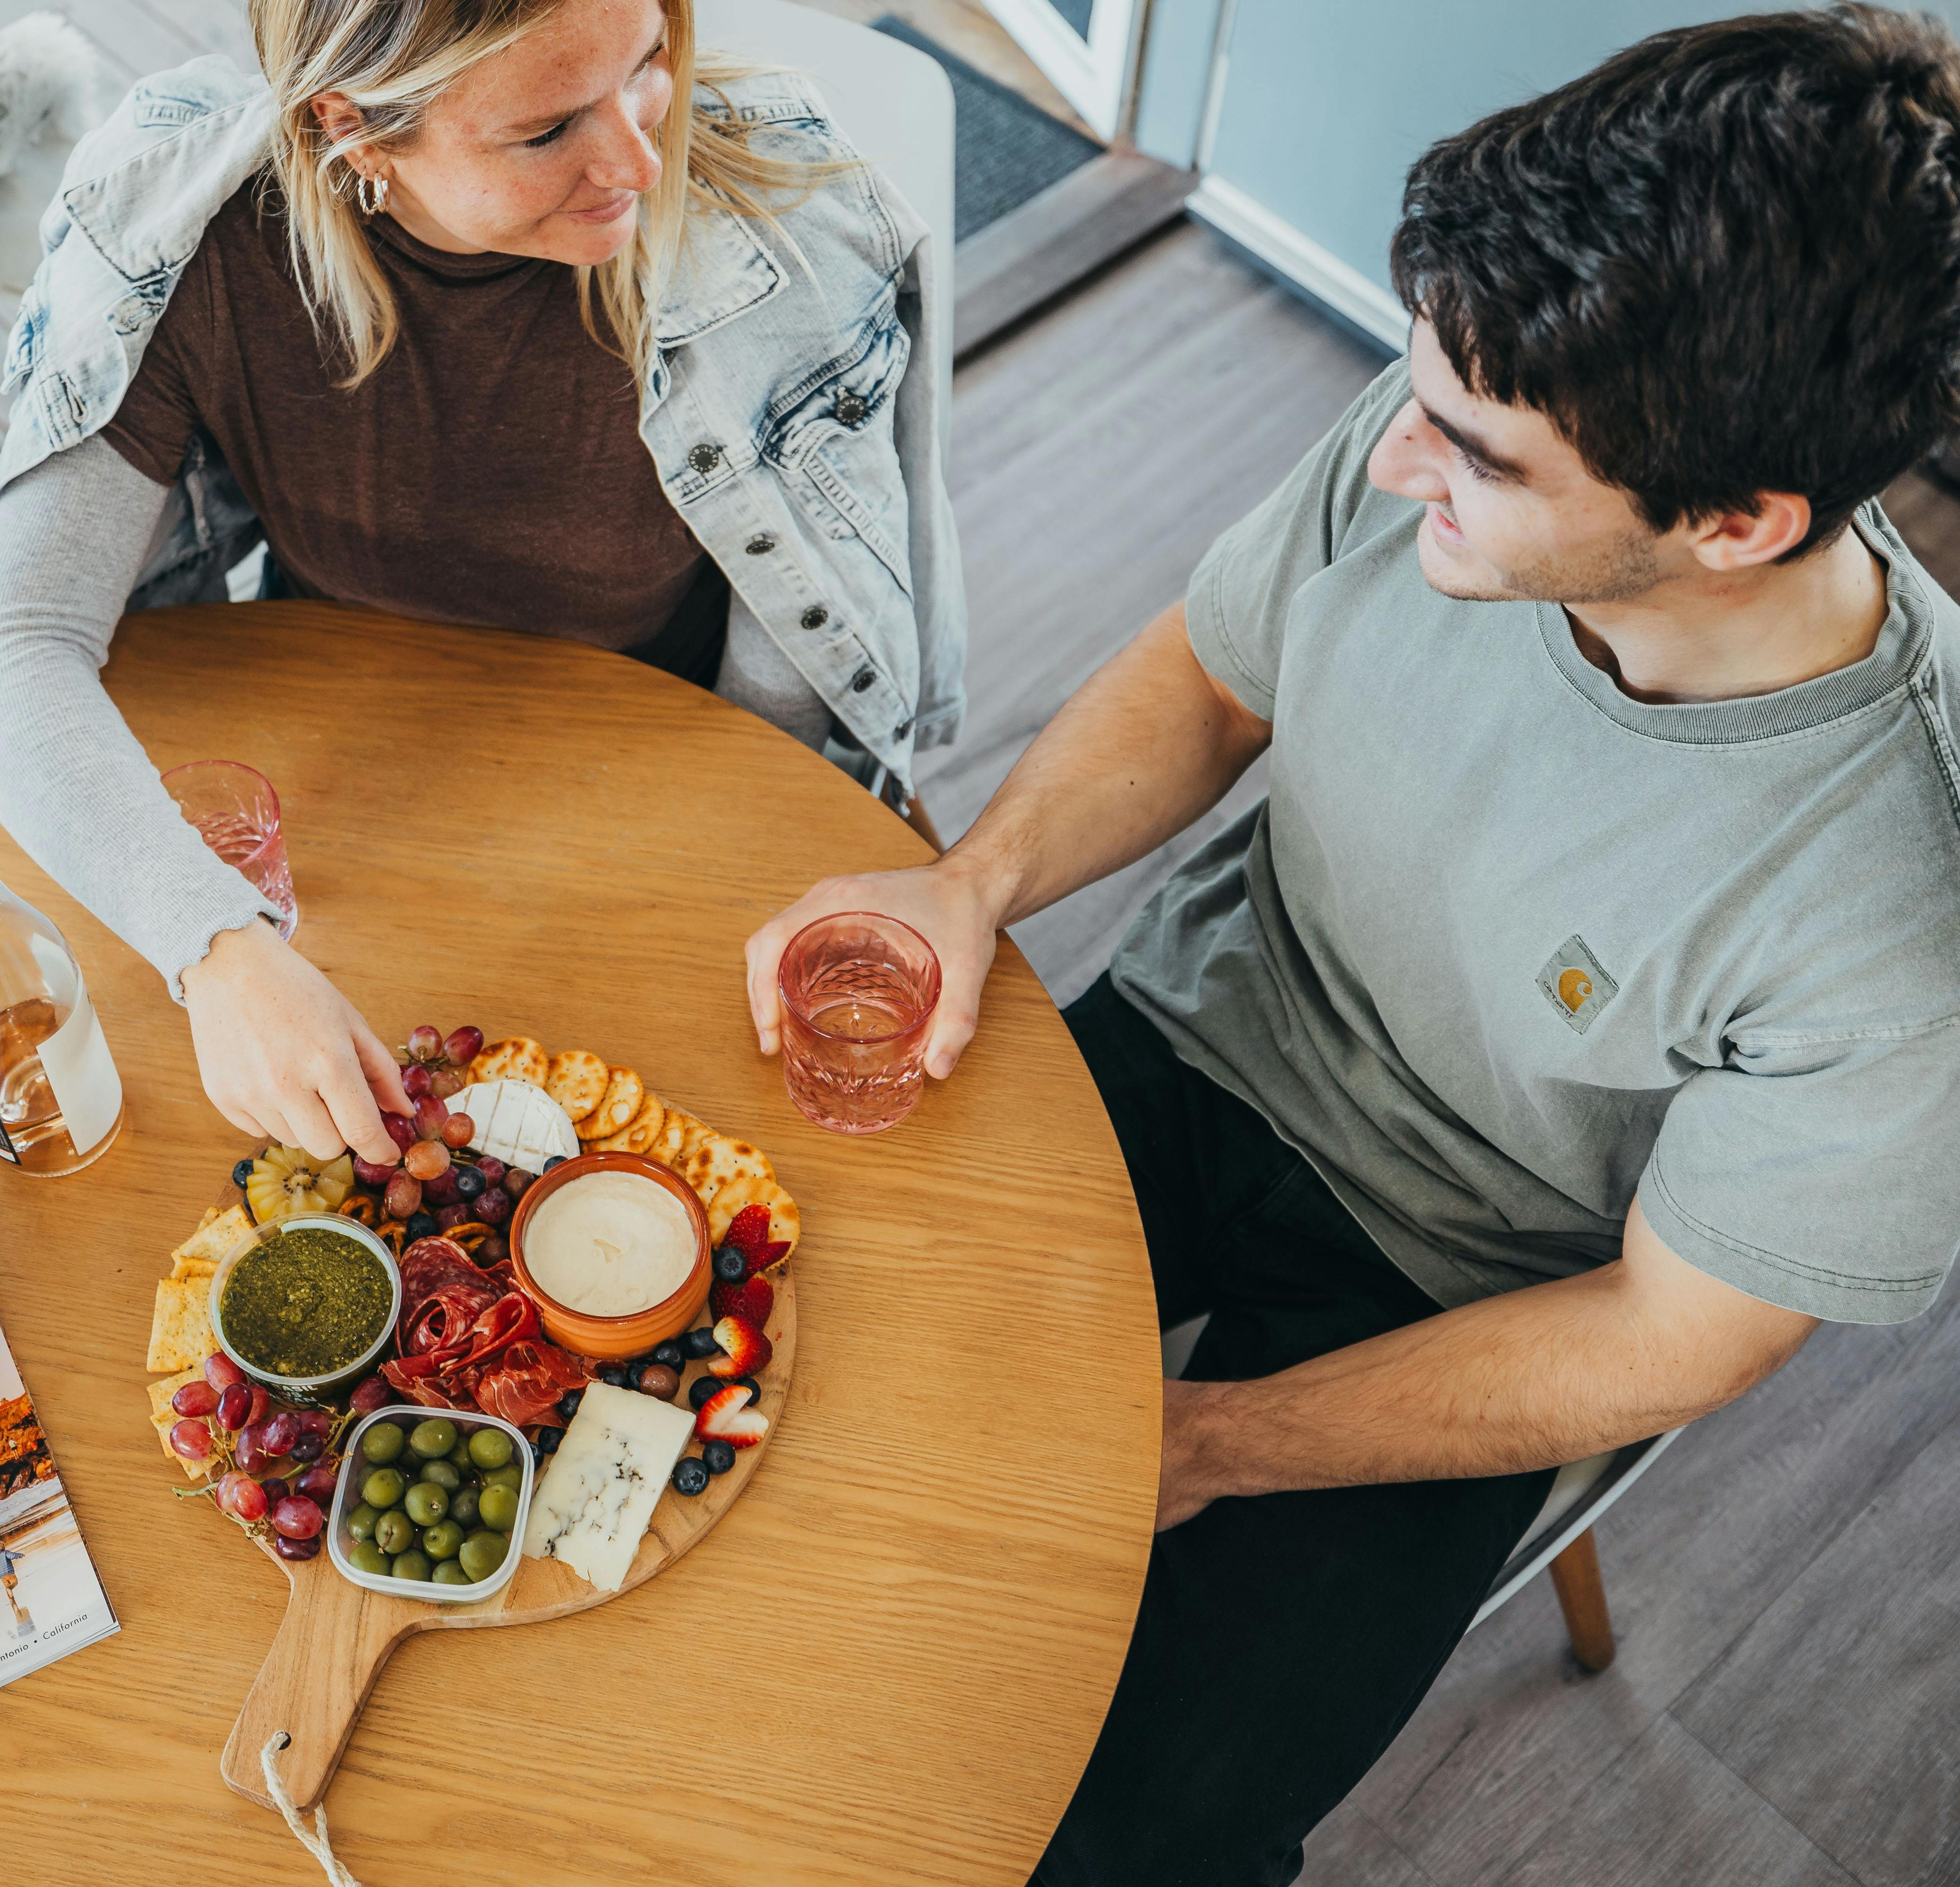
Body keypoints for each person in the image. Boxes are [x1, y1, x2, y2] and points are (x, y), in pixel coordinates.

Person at [745, 9, 1960, 1879]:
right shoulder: (1471, 396)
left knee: (1120, 1840)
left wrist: (1211, 1438)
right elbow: (1217, 671)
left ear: (1735, 524)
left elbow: (1662, 1333)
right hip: (1205, 1021)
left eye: (1472, 456)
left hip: (1474, 1284)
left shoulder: (1900, 905)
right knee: (754, 1367)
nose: (1396, 462)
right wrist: (974, 880)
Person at [0, 0, 963, 1167]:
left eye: (646, 64)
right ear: (355, 131)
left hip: (668, 751)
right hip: (341, 772)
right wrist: (216, 950)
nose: (638, 156)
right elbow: (13, 642)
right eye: (544, 132)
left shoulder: (777, 231)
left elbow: (793, 705)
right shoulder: (185, 236)